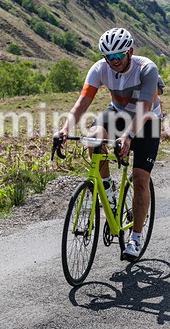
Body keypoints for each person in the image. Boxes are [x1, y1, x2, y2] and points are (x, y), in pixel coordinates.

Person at [57, 27, 162, 261]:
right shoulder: (99, 68)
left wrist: (128, 136)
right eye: (109, 57)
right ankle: (106, 187)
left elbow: (144, 109)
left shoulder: (147, 68)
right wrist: (65, 128)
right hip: (118, 113)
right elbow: (83, 101)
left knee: (140, 179)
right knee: (93, 136)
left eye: (118, 56)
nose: (113, 61)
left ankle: (135, 237)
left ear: (130, 52)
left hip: (147, 120)